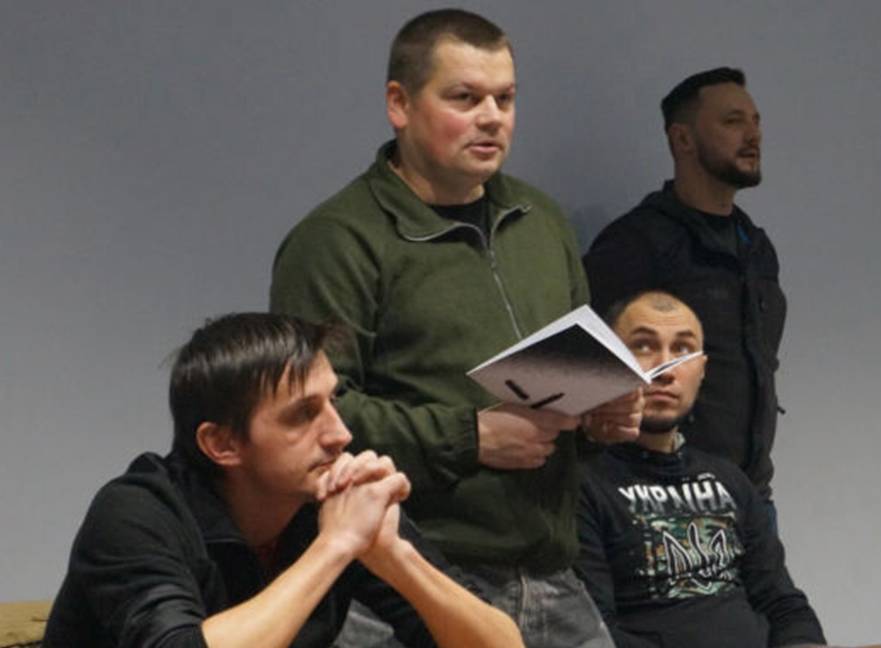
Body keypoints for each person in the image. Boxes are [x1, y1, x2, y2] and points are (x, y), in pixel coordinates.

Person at [270, 9, 638, 647]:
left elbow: (566, 384)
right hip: (406, 581)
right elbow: (311, 421)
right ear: (399, 104)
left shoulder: (541, 220)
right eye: (464, 98)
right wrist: (471, 437)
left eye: (505, 99)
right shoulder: (336, 241)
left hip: (551, 573)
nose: (492, 117)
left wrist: (598, 418)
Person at [42, 313, 523, 648]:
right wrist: (334, 547)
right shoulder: (135, 513)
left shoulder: (328, 497)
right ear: (221, 444)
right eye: (303, 415)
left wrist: (392, 555)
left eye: (333, 401)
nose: (340, 434)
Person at [583, 68, 785, 518]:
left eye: (755, 121)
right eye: (732, 121)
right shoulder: (638, 244)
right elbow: (589, 376)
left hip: (750, 495)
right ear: (683, 139)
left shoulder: (756, 248)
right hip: (661, 498)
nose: (752, 135)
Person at [575, 291, 826, 648]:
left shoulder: (731, 480)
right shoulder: (582, 484)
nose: (666, 369)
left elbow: (783, 604)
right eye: (644, 346)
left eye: (682, 349)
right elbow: (593, 629)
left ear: (702, 369)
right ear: (610, 360)